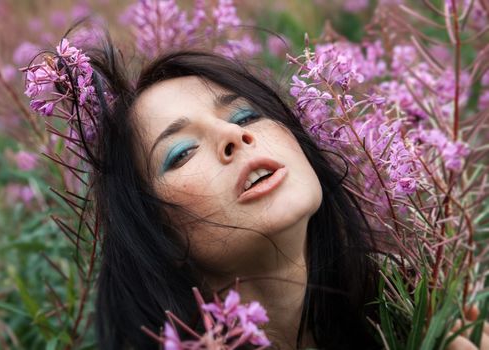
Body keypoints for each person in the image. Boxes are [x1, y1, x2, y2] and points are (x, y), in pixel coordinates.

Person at [75, 47, 488, 349]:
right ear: (157, 235)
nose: (234, 135)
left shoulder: (410, 309)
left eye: (245, 115)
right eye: (181, 153)